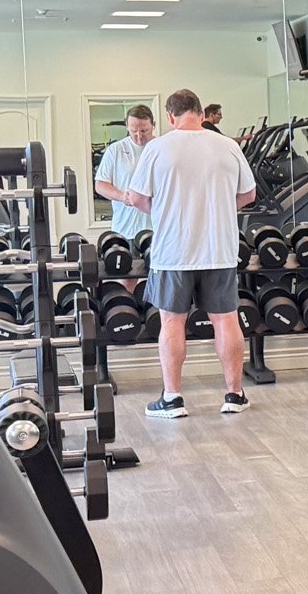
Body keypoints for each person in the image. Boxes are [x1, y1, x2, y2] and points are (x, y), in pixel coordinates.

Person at [119, 89, 256, 418]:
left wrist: (163, 211)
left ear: (169, 117)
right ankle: (234, 395)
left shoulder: (157, 148)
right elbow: (248, 194)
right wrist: (220, 209)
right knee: (226, 320)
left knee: (172, 321)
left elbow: (136, 198)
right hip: (219, 249)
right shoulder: (228, 145)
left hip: (173, 252)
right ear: (202, 113)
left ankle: (172, 398)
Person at [90, 104, 156, 242]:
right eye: (134, 131)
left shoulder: (161, 149)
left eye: (144, 131)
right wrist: (122, 197)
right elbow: (100, 185)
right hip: (125, 230)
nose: (139, 136)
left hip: (157, 230)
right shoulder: (115, 150)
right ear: (127, 126)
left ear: (153, 125)